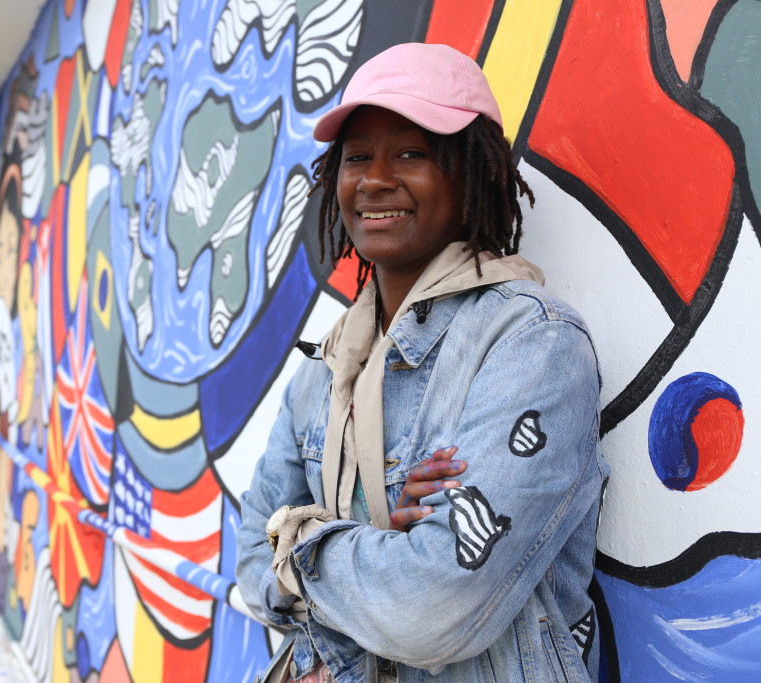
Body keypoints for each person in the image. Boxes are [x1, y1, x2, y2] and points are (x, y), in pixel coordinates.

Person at [236, 43, 608, 683]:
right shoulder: (326, 368)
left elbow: (432, 605)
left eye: (411, 152)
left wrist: (300, 547)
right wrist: (380, 540)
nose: (375, 179)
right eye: (357, 157)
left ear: (473, 173)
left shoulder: (531, 345)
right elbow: (247, 565)